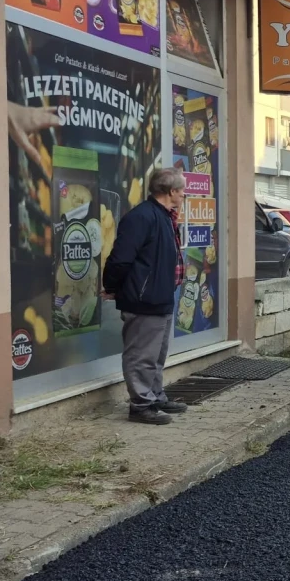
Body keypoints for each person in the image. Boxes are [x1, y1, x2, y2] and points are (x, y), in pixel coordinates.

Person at [102, 167, 187, 424]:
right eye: (182, 190)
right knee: (141, 355)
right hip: (143, 299)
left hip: (160, 297)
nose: (184, 195)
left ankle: (154, 396)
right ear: (171, 191)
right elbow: (120, 259)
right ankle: (140, 405)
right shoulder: (141, 217)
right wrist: (114, 288)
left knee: (156, 355)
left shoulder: (164, 216)